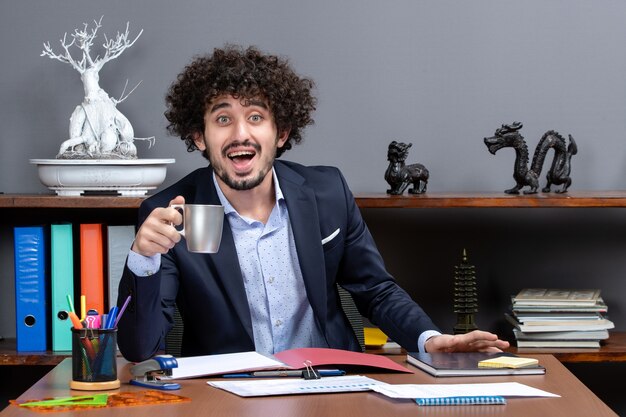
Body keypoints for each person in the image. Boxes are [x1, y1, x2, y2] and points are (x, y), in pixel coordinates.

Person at [117, 45, 509, 362]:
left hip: (332, 385)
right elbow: (138, 348)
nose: (240, 134)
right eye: (222, 119)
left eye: (256, 116)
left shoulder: (325, 192)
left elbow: (375, 289)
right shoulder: (175, 212)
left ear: (281, 132)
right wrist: (143, 260)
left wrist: (428, 339)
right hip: (226, 395)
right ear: (199, 137)